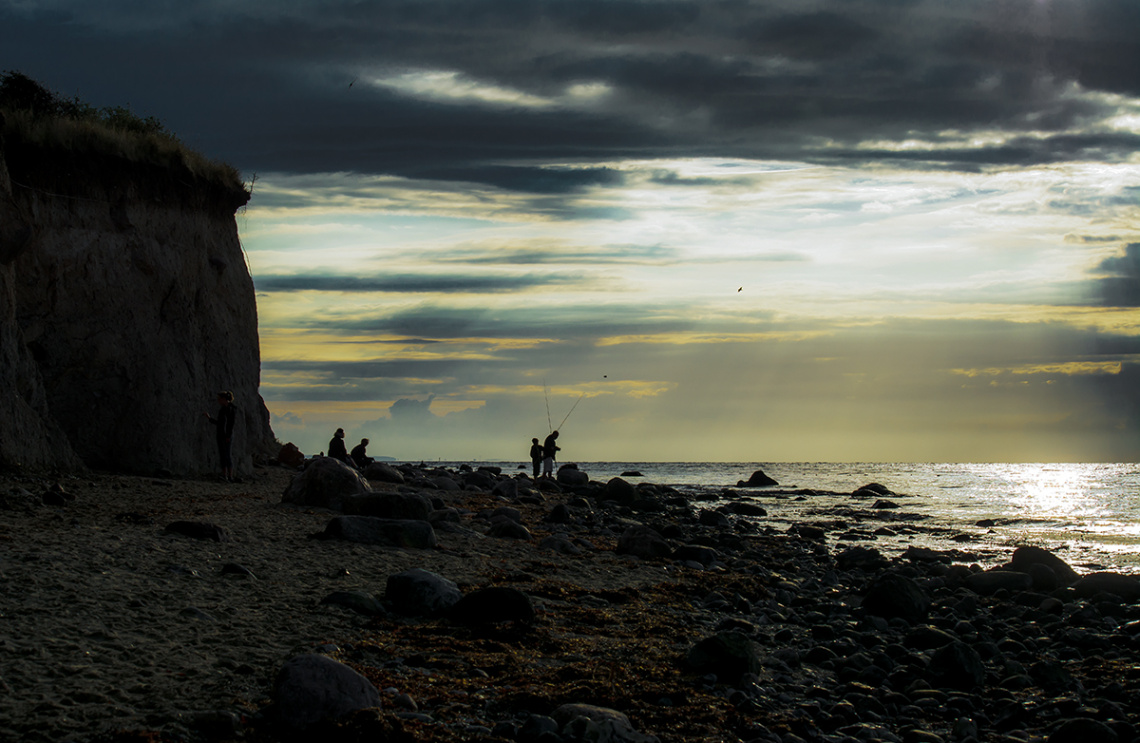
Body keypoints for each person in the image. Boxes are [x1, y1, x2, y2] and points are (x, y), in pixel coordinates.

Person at [205, 390, 237, 481]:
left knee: (227, 455)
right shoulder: (224, 409)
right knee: (223, 455)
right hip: (222, 434)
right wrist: (209, 419)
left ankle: (229, 475)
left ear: (224, 399)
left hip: (226, 435)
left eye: (219, 399)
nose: (218, 401)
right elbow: (220, 423)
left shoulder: (230, 410)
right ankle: (226, 475)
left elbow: (230, 424)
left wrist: (228, 436)